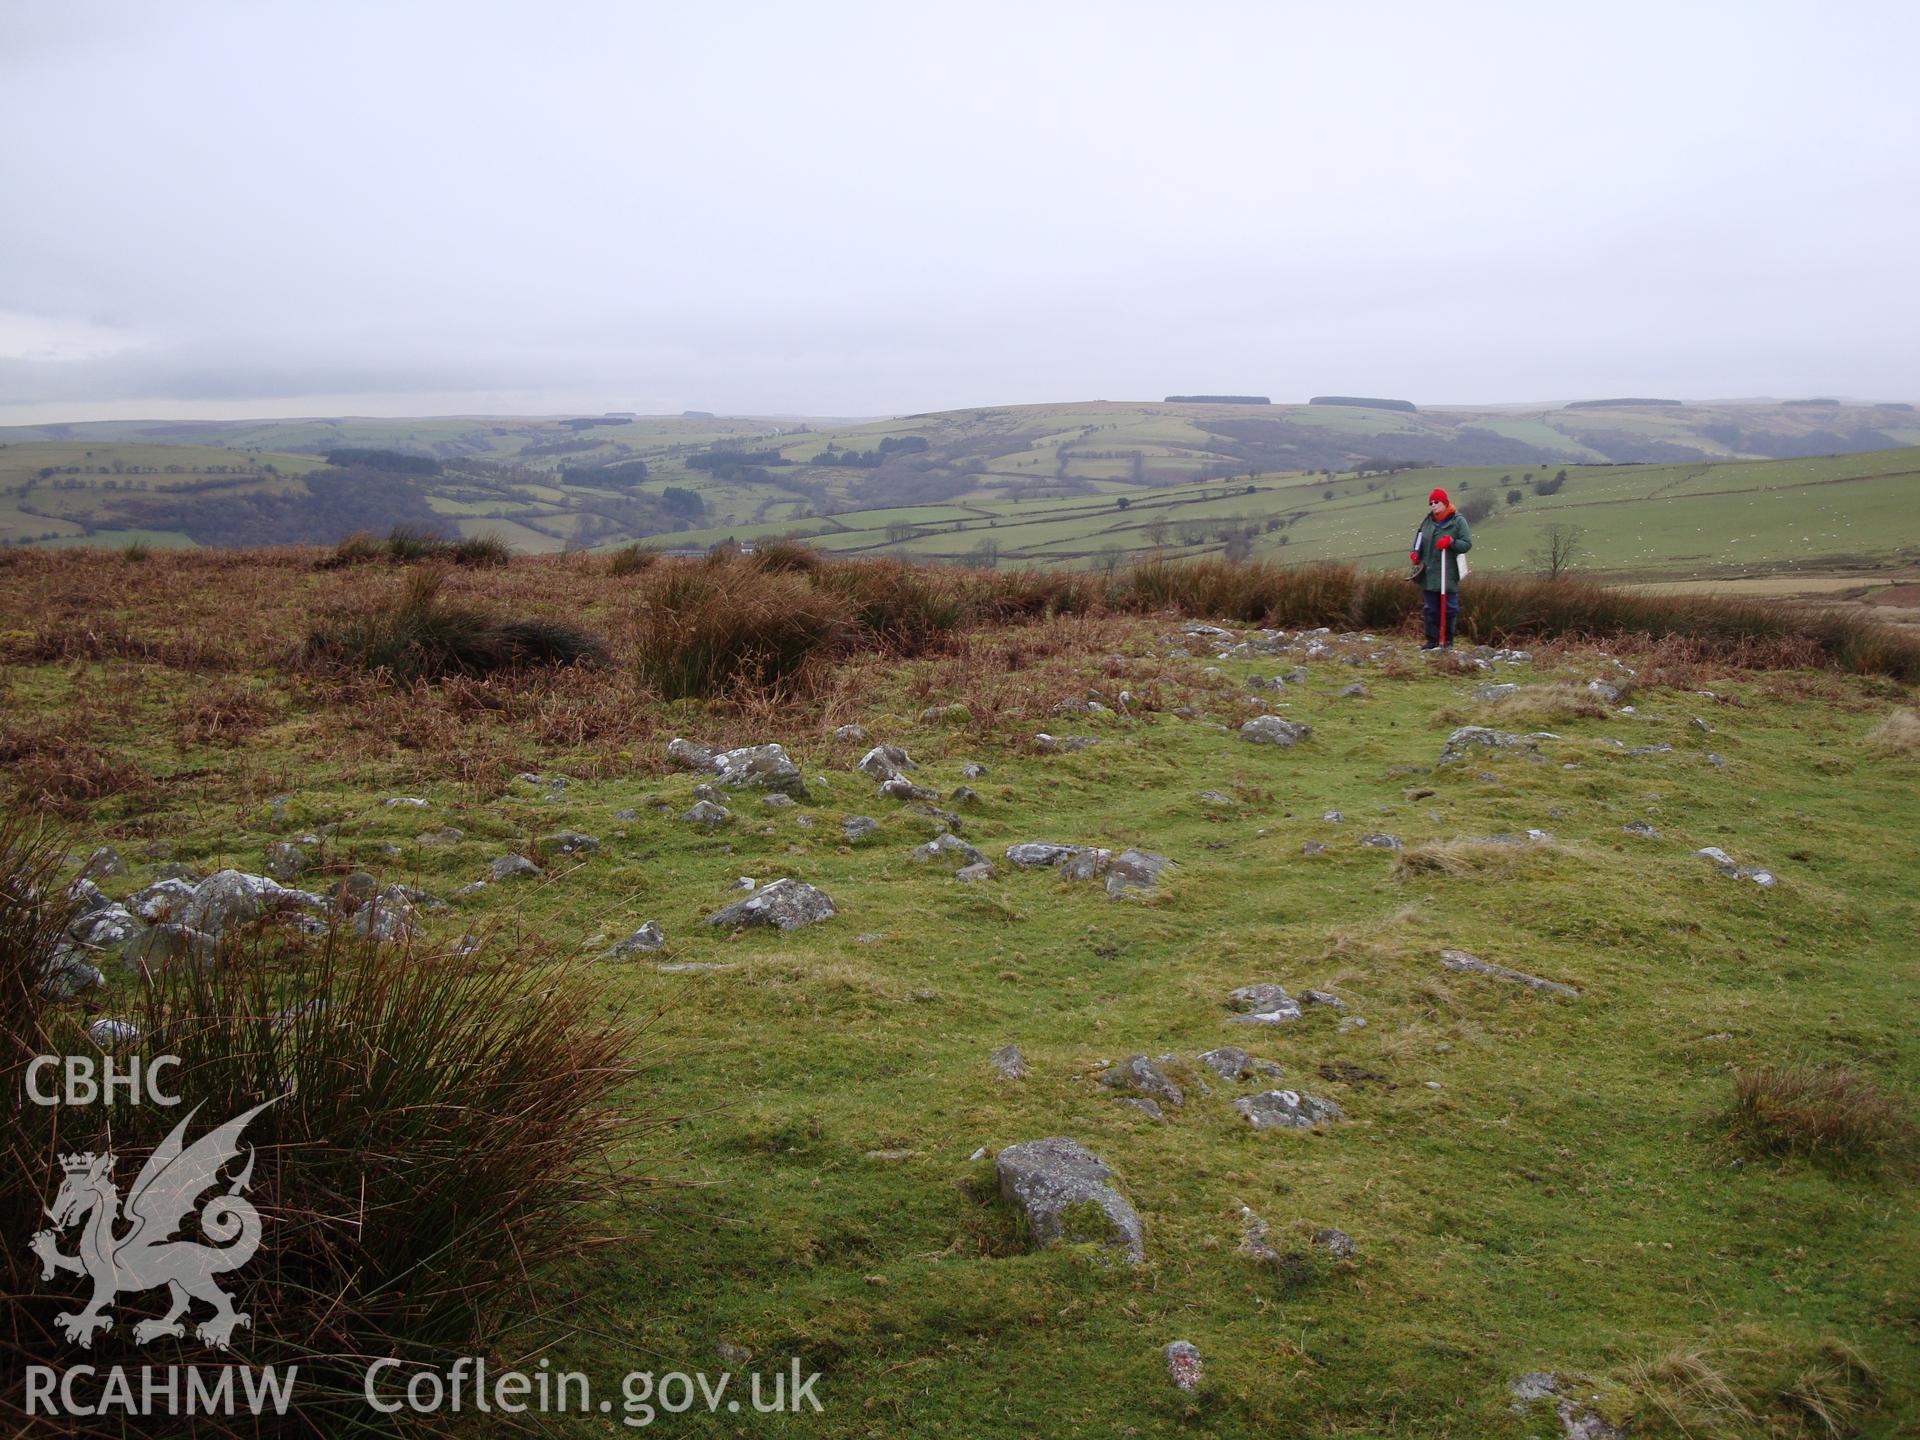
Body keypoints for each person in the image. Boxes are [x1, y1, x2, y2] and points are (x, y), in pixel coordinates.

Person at [1409, 487, 1472, 649]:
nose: (1433, 505)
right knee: (1430, 608)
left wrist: (1451, 542)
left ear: (1444, 502)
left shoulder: (1458, 521)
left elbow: (1466, 544)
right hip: (1429, 573)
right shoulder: (1428, 521)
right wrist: (1416, 553)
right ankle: (1432, 641)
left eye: (1436, 502)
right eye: (1431, 503)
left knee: (1449, 608)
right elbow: (1419, 538)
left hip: (1448, 574)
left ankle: (1447, 641)